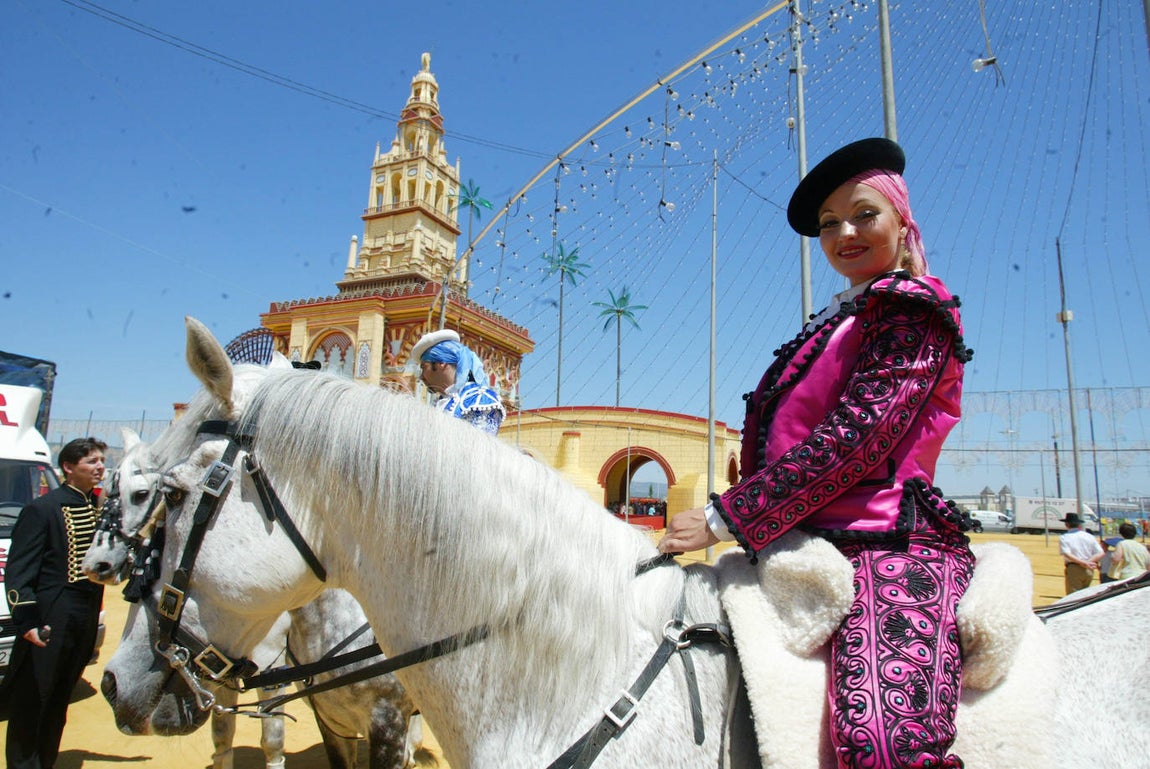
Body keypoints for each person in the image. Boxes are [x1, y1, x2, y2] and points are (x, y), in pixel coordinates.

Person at [659, 138, 975, 769]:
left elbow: (860, 436)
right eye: (830, 225)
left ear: (901, 219)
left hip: (888, 543)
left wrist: (728, 518)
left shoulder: (912, 310)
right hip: (800, 536)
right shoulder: (839, 318)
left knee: (882, 739)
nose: (845, 233)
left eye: (864, 214)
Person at [4, 436, 107, 769]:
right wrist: (28, 621)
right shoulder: (42, 509)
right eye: (91, 461)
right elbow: (18, 573)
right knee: (33, 698)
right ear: (68, 467)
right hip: (53, 613)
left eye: (101, 460)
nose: (100, 466)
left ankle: (44, 762)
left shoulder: (96, 508)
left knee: (60, 697)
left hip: (84, 613)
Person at [410, 329, 505, 435]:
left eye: (424, 367)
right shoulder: (440, 403)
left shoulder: (479, 400)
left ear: (441, 363)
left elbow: (479, 448)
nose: (421, 377)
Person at [1059, 512, 1103, 594]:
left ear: (1066, 524)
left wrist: (1083, 562)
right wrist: (1088, 562)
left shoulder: (1065, 537)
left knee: (1073, 596)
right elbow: (1100, 553)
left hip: (1074, 567)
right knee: (1084, 594)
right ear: (1079, 525)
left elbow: (1067, 554)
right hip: (1089, 568)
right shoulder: (1089, 536)